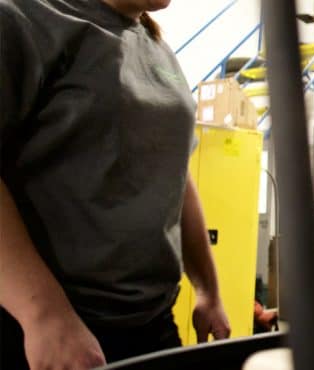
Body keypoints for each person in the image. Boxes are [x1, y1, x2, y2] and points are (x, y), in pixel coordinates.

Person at [0, 0, 231, 369]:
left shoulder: (159, 51)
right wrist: (44, 315)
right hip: (52, 330)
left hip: (151, 324)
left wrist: (208, 290)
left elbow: (177, 176)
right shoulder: (25, 19)